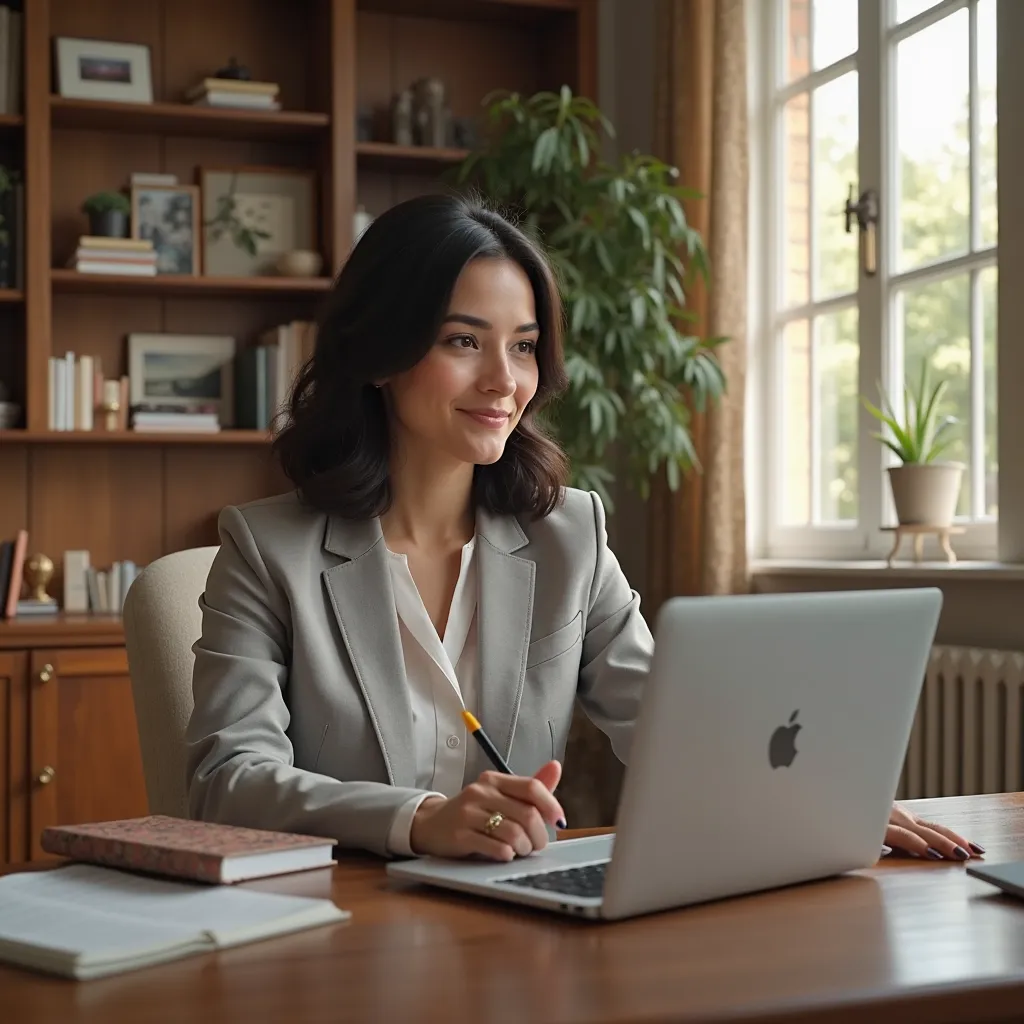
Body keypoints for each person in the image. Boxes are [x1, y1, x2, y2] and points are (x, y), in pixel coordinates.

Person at [185, 193, 984, 865]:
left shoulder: (569, 536)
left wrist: (824, 804)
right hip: (342, 929)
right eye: (464, 341)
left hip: (514, 924)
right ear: (381, 354)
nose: (506, 381)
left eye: (524, 347)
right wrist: (419, 817)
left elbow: (672, 723)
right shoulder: (266, 550)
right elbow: (229, 774)